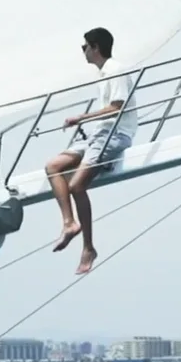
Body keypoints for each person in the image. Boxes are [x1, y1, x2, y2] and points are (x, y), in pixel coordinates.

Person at [46, 26, 138, 274]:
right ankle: (69, 224)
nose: (83, 51)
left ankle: (88, 247)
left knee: (77, 185)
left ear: (95, 47)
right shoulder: (103, 73)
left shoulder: (115, 70)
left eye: (84, 46)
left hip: (115, 133)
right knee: (53, 166)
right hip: (100, 133)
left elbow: (117, 107)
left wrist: (81, 117)